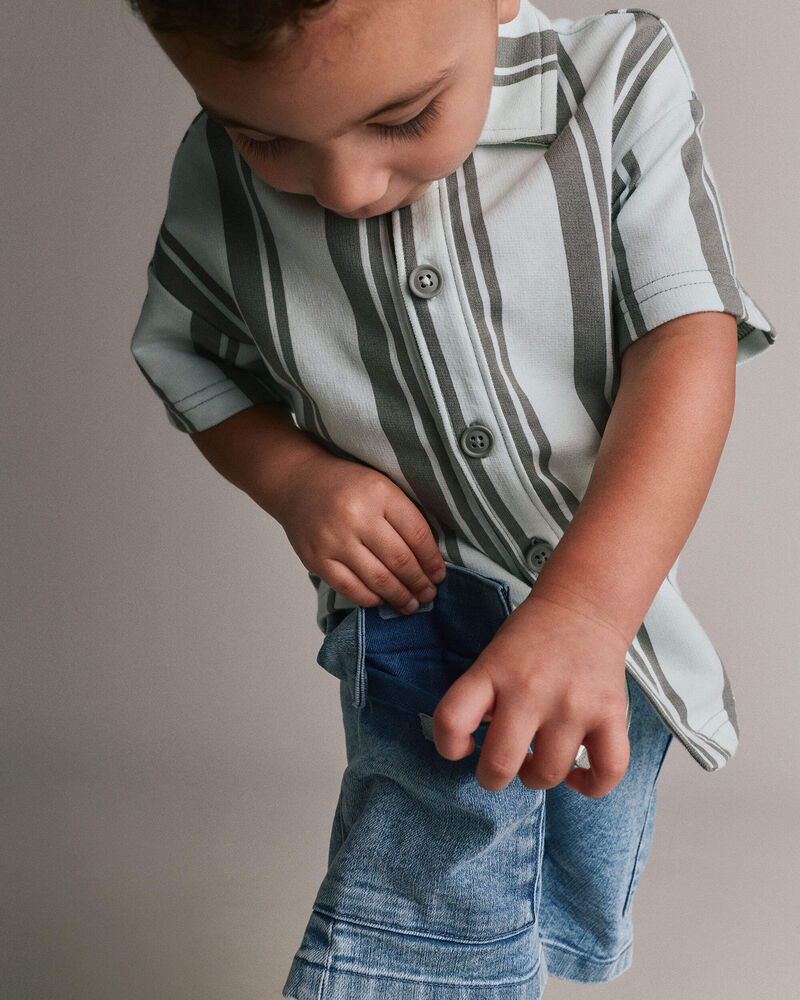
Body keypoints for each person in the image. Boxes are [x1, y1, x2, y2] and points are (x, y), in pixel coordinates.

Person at [125, 1, 777, 995]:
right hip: (414, 605)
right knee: (420, 897)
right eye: (266, 138)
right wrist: (292, 479)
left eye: (400, 117)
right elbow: (189, 360)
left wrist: (586, 609)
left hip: (612, 602)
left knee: (557, 886)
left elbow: (686, 335)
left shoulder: (613, 76)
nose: (342, 187)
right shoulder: (210, 171)